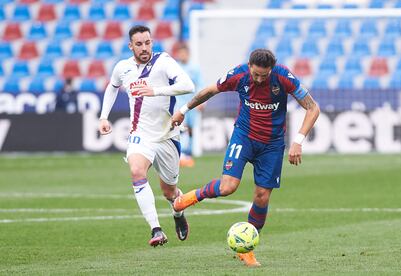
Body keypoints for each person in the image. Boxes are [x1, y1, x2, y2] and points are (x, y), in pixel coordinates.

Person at [171, 49, 320, 266]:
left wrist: (298, 140)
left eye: (264, 75)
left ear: (272, 69)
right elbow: (210, 91)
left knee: (262, 196)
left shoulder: (283, 77)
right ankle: (188, 199)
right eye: (256, 74)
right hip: (244, 137)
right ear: (249, 65)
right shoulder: (239, 74)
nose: (259, 79)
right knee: (227, 187)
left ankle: (247, 249)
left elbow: (313, 107)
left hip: (272, 144)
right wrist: (183, 109)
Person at [99, 25, 195, 247]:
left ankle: (178, 212)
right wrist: (104, 116)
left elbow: (187, 85)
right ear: (130, 46)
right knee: (136, 171)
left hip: (167, 136)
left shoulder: (164, 62)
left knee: (170, 191)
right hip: (140, 135)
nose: (144, 48)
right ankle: (156, 230)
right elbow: (112, 88)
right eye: (139, 44)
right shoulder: (122, 68)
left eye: (148, 42)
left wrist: (156, 90)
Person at [173, 42, 205, 167]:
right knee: (182, 127)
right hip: (179, 102)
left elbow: (200, 84)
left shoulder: (194, 68)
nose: (182, 55)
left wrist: (202, 101)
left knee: (191, 128)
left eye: (184, 53)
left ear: (188, 54)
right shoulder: (176, 67)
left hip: (192, 102)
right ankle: (182, 154)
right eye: (180, 53)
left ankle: (188, 153)